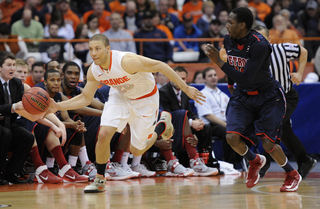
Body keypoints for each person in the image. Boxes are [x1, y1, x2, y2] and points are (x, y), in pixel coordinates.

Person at [47, 33, 205, 193]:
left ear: (108, 49)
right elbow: (86, 98)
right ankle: (100, 179)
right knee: (103, 134)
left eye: (97, 49)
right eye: (90, 49)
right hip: (120, 96)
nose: (93, 53)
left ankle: (162, 125)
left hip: (145, 99)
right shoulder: (94, 70)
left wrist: (185, 87)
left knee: (137, 150)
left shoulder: (126, 61)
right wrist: (57, 106)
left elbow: (160, 65)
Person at [204, 7, 301, 192]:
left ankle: (292, 174)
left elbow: (246, 77)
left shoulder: (259, 44)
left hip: (268, 96)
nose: (227, 25)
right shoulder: (228, 39)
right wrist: (232, 89)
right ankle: (254, 161)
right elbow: (234, 69)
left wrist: (218, 61)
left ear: (242, 25)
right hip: (243, 95)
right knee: (231, 137)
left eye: (231, 22)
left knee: (268, 143)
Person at [254, 25, 317, 179]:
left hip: (286, 96)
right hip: (267, 100)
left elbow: (303, 51)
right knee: (284, 131)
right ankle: (304, 160)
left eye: (262, 39)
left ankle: (266, 161)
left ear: (269, 40)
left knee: (275, 124)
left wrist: (300, 72)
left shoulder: (281, 49)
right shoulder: (250, 56)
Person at [159, 66, 220, 173]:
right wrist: (191, 123)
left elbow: (190, 112)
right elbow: (166, 115)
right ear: (170, 77)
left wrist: (197, 121)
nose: (180, 81)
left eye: (183, 79)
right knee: (182, 114)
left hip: (184, 126)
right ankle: (189, 161)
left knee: (205, 128)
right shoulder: (163, 91)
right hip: (170, 127)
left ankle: (204, 162)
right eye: (177, 78)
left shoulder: (186, 90)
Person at [0, 51, 34, 184]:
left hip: (8, 123)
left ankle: (11, 172)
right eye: (9, 65)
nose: (12, 68)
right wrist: (12, 107)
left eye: (14, 65)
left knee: (27, 137)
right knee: (5, 133)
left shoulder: (16, 83)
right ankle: (1, 173)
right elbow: (14, 107)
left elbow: (24, 106)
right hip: (4, 126)